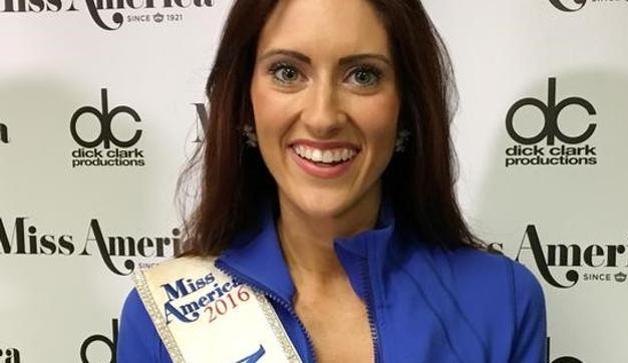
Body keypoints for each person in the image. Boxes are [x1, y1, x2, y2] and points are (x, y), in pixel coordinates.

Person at [117, 0, 547, 362]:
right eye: (287, 72)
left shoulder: (501, 302)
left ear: (407, 108)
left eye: (362, 75)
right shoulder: (161, 318)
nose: (323, 117)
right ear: (246, 104)